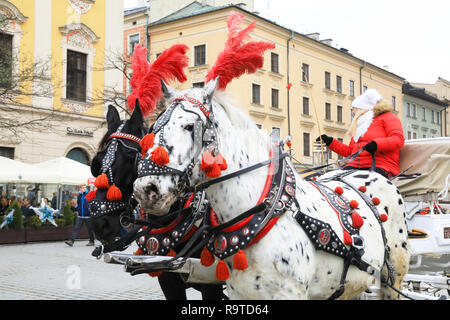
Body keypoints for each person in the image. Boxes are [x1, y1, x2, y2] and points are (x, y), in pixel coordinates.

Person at [316, 88, 404, 178]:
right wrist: (331, 142)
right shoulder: (361, 125)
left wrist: (376, 144)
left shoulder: (389, 117)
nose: (352, 112)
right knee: (333, 179)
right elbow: (351, 152)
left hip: (382, 165)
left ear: (362, 108)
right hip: (355, 166)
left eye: (354, 108)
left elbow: (398, 139)